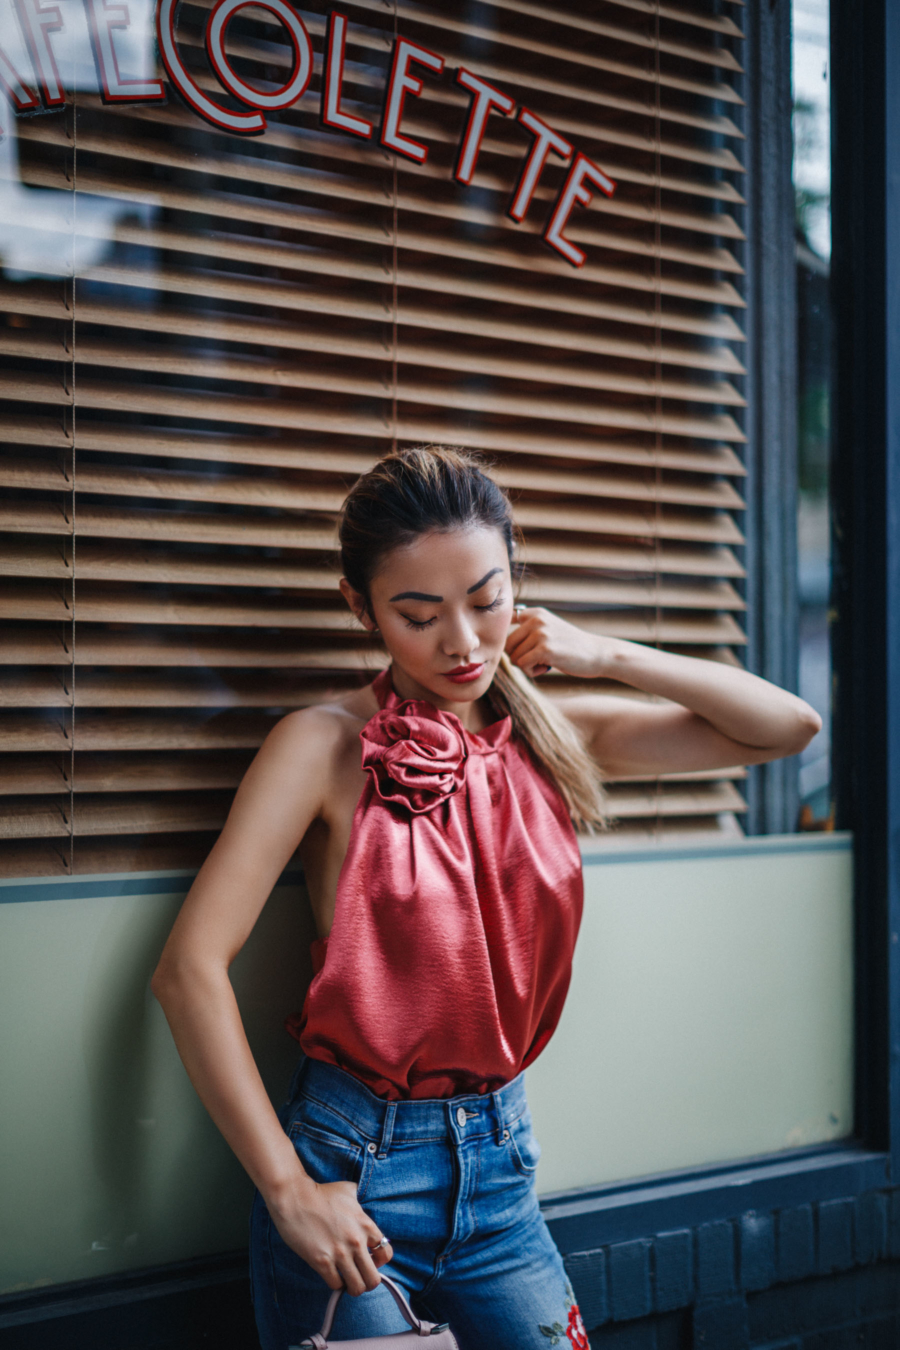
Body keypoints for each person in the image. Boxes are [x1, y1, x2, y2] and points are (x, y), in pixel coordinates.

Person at [151, 446, 821, 1350]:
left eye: (487, 597)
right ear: (362, 608)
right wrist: (288, 1191)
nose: (462, 642)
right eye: (419, 616)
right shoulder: (319, 746)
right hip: (353, 1169)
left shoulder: (550, 733)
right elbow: (187, 971)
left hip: (501, 1171)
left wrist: (606, 652)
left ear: (518, 580)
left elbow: (786, 726)